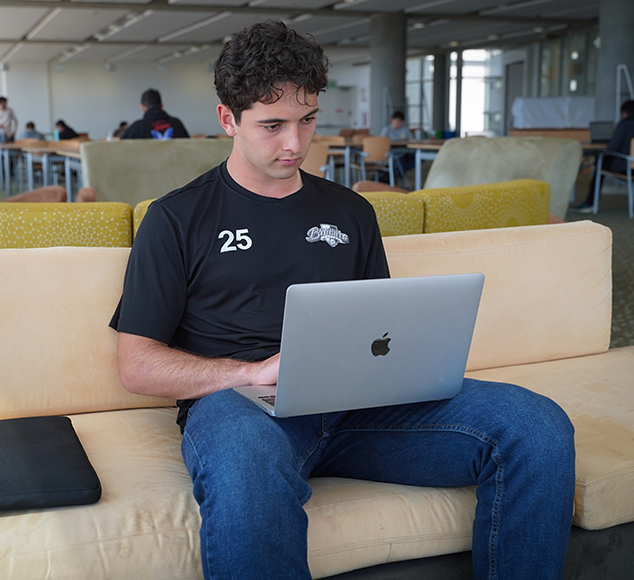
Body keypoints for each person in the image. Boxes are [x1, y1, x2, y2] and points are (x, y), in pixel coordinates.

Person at [110, 21, 575, 580]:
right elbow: (136, 364)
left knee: (538, 425)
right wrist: (251, 372)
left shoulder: (352, 212)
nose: (295, 143)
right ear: (227, 119)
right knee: (247, 462)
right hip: (245, 410)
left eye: (307, 120)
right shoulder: (177, 218)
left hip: (358, 410)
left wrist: (410, 364)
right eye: (272, 125)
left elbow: (379, 332)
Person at [574, 99, 634, 212]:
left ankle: (590, 203)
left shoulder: (624, 124)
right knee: (599, 160)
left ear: (624, 113)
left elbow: (612, 148)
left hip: (628, 167)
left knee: (599, 162)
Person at [120, 88, 189, 140]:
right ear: (161, 106)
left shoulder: (136, 128)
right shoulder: (177, 124)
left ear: (143, 107)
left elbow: (121, 149)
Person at [379, 110, 415, 177]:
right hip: (390, 152)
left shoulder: (404, 129)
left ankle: (399, 173)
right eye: (397, 121)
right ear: (392, 120)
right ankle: (399, 174)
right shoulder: (387, 129)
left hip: (403, 152)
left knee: (416, 156)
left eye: (401, 122)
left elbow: (411, 139)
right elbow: (382, 142)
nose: (399, 124)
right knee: (400, 161)